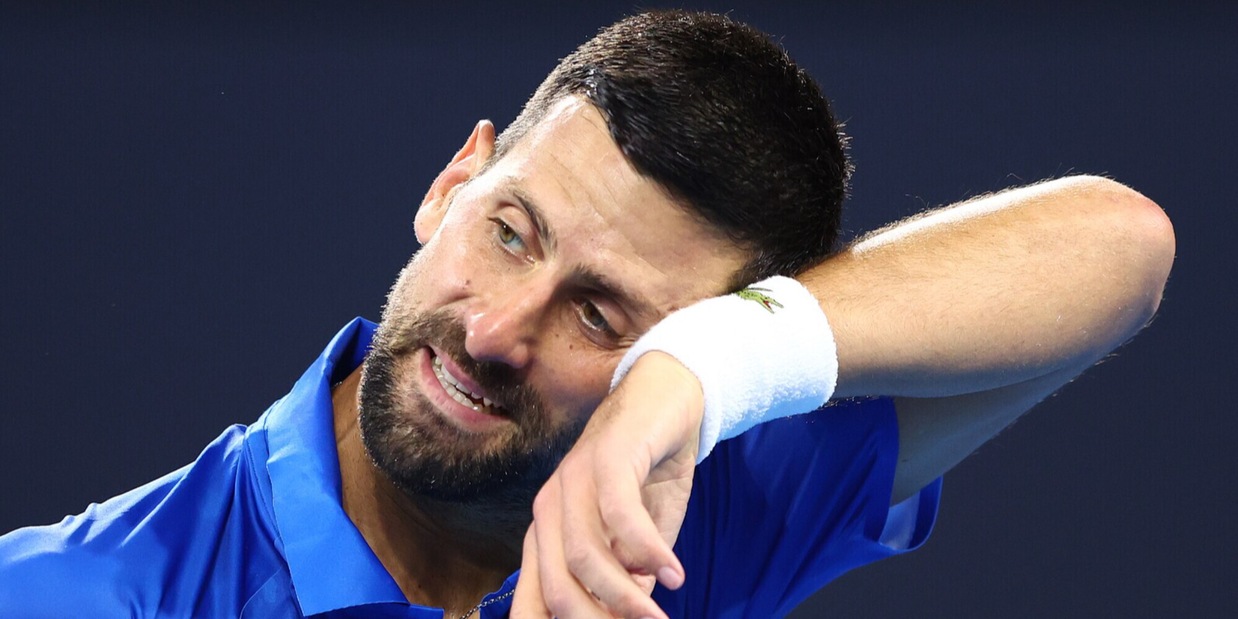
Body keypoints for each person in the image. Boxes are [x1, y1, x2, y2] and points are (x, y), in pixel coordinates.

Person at [0, 10, 1174, 619]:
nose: (499, 332)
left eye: (603, 317)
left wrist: (699, 372)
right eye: (510, 230)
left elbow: (1117, 246)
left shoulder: (679, 497)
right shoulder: (69, 597)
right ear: (453, 180)